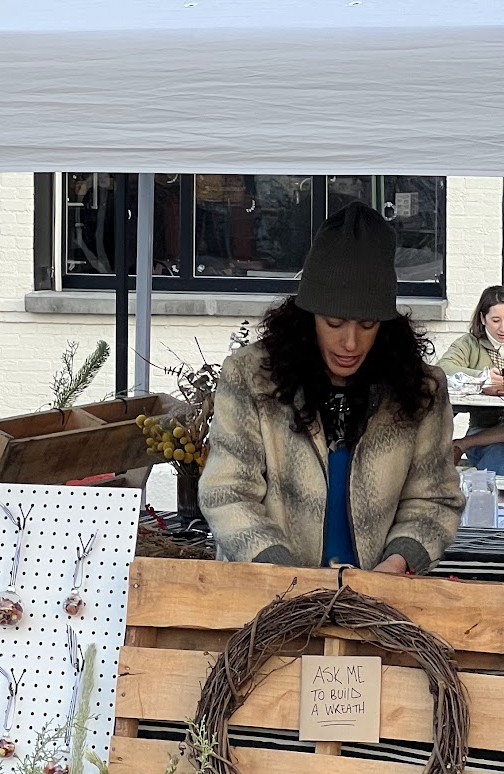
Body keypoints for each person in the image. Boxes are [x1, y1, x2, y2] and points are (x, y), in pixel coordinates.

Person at [201, 202, 463, 574]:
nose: (351, 343)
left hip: (379, 604)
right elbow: (227, 492)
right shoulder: (251, 376)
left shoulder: (421, 390)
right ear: (307, 317)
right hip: (270, 595)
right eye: (334, 323)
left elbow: (434, 498)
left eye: (368, 325)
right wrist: (282, 573)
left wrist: (399, 563)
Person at [437, 287, 504, 470]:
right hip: (484, 430)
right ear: (482, 319)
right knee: (498, 461)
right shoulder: (469, 344)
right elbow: (442, 369)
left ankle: (463, 443)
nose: (503, 328)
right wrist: (482, 379)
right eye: (496, 320)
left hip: (475, 439)